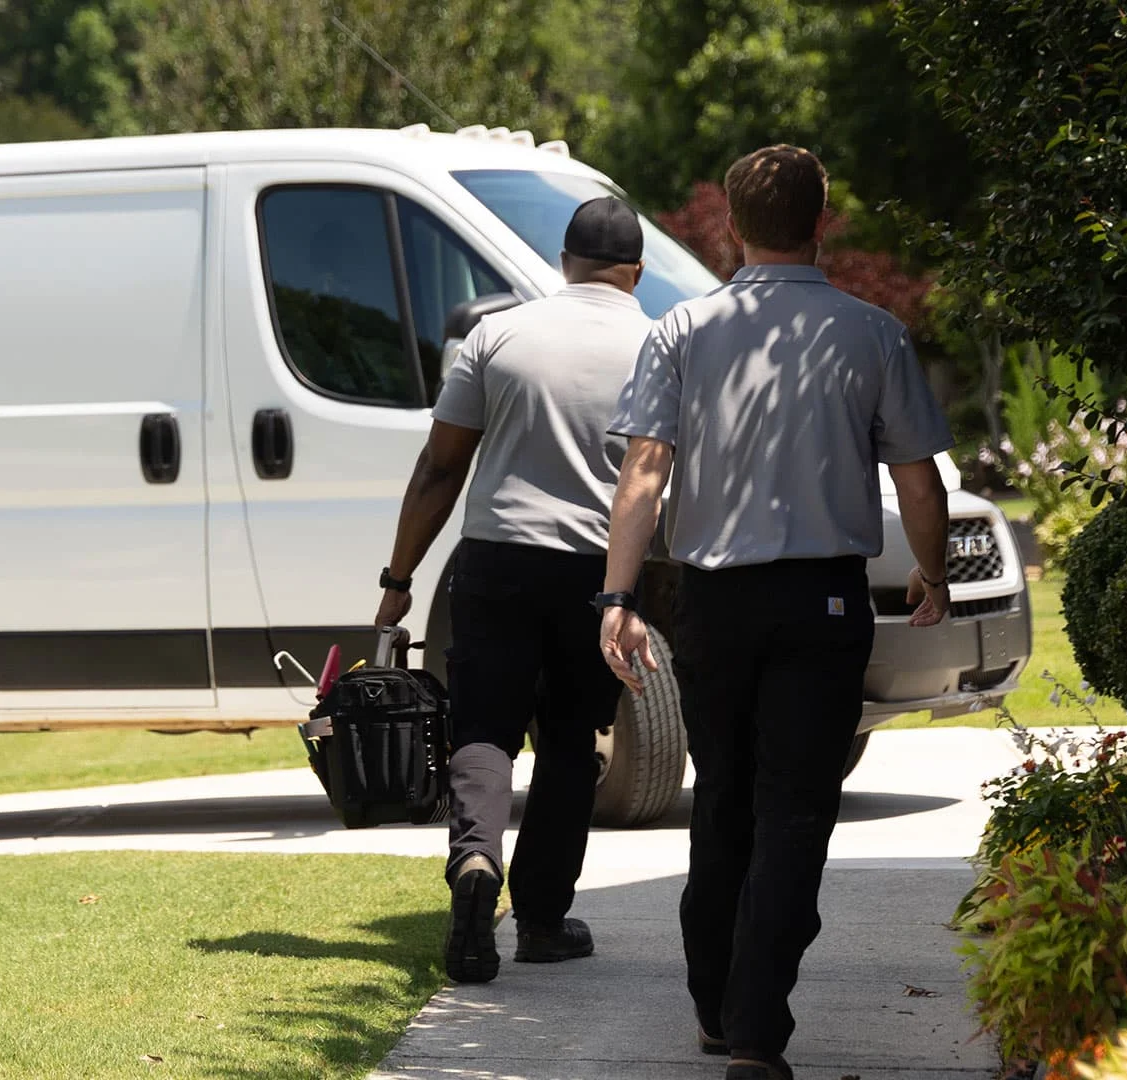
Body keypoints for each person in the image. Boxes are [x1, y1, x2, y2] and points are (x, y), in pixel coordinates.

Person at [596, 145, 954, 1080]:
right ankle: (755, 1028)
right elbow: (916, 478)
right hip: (822, 601)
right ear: (822, 220)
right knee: (796, 811)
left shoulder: (680, 329)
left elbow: (645, 470)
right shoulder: (870, 334)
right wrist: (932, 571)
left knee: (723, 800)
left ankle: (716, 998)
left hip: (713, 602)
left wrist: (620, 595)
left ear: (732, 225)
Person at [375, 197, 654, 984]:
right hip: (599, 575)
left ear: (565, 262)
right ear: (634, 271)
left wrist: (398, 582)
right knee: (571, 744)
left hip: (495, 560)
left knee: (484, 729)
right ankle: (539, 918)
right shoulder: (661, 344)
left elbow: (439, 467)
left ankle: (474, 863)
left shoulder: (496, 334)